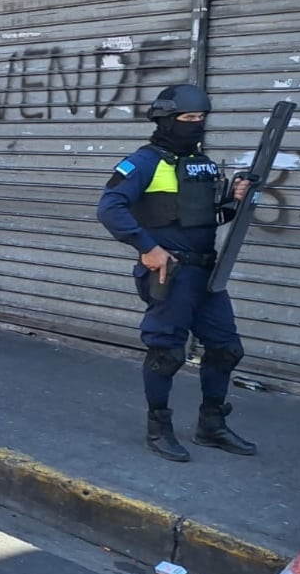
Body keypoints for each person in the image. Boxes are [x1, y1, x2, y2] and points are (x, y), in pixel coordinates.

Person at [96, 84, 256, 463]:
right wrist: (147, 248)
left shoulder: (203, 164)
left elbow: (208, 218)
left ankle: (211, 425)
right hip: (171, 272)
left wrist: (234, 200)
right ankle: (158, 427)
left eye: (200, 119)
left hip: (206, 274)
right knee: (167, 353)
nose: (195, 125)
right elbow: (109, 208)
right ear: (166, 120)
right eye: (187, 119)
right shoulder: (143, 162)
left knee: (226, 348)